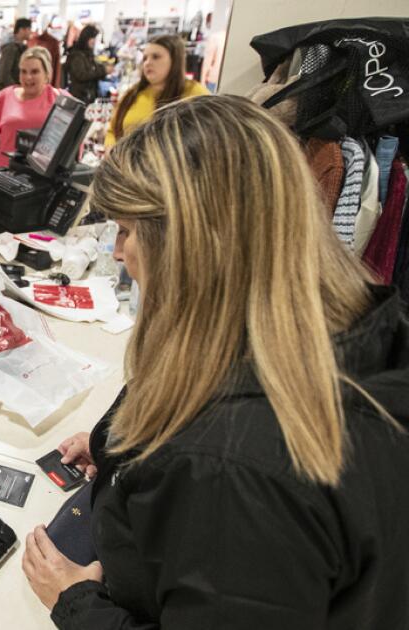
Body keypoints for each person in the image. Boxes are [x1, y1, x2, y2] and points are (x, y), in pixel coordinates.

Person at [23, 94, 409, 628]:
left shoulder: (234, 471)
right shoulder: (345, 332)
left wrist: (77, 604)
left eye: (129, 231)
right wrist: (117, 447)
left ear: (188, 244)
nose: (117, 252)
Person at [105, 35, 208, 148]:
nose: (147, 63)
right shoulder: (132, 93)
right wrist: (111, 151)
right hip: (123, 163)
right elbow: (112, 131)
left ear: (174, 60)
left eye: (156, 57)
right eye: (145, 58)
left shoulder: (194, 93)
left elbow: (207, 138)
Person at [0, 47, 64, 168]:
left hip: (42, 176)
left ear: (47, 74)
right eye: (23, 71)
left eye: (34, 72)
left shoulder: (59, 98)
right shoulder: (5, 96)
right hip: (4, 174)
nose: (28, 77)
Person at [64, 25, 113, 105]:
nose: (94, 41)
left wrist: (104, 70)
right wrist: (103, 71)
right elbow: (82, 75)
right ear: (86, 38)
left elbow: (92, 70)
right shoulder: (76, 55)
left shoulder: (88, 53)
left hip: (88, 97)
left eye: (95, 38)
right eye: (92, 38)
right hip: (80, 98)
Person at [0, 18, 33, 90]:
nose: (30, 32)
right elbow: (5, 73)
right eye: (29, 29)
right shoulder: (11, 48)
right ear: (22, 30)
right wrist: (15, 90)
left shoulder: (21, 47)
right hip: (10, 91)